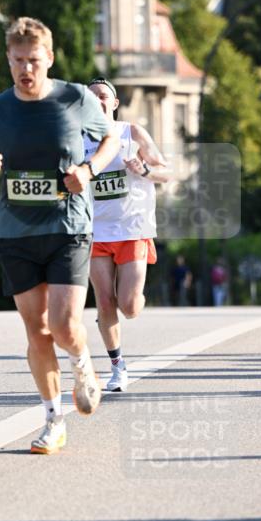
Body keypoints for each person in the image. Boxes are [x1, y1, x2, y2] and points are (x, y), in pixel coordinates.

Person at [0, 18, 120, 455]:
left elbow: (109, 139)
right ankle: (53, 419)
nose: (25, 69)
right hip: (17, 235)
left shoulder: (76, 98)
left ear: (48, 58)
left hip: (68, 227)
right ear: (8, 61)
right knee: (36, 331)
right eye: (17, 61)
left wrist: (87, 171)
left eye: (33, 60)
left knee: (65, 325)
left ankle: (83, 364)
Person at [85, 77, 169, 393]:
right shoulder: (77, 140)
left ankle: (133, 299)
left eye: (103, 96)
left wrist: (144, 171)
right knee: (104, 301)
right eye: (91, 97)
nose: (98, 100)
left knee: (129, 306)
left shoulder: (131, 133)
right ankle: (118, 366)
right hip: (95, 232)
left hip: (133, 229)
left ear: (114, 103)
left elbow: (166, 171)